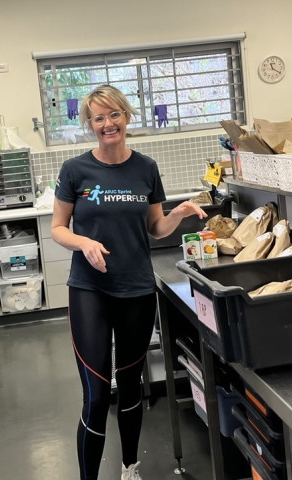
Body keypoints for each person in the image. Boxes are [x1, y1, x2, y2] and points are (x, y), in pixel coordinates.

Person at [51, 84, 207, 480]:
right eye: (99, 118)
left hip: (136, 288)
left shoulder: (146, 168)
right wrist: (84, 242)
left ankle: (129, 467)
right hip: (89, 289)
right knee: (98, 392)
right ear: (90, 125)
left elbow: (156, 228)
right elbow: (57, 228)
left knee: (131, 384)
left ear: (127, 117)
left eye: (114, 115)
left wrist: (179, 214)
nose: (108, 124)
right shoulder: (75, 170)